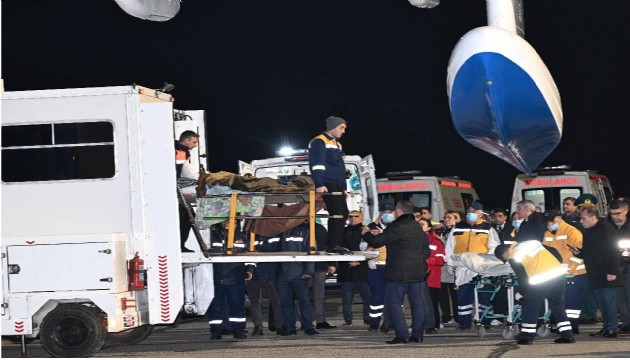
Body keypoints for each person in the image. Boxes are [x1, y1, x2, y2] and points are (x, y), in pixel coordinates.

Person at [361, 200, 430, 344]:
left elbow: (377, 242)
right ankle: (417, 335)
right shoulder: (417, 226)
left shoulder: (397, 226)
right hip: (417, 273)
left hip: (397, 273)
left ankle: (402, 334)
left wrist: (366, 233)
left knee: (394, 303)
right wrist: (419, 264)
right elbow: (426, 250)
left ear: (398, 211)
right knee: (418, 304)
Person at [494, 241, 576, 345]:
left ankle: (527, 337)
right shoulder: (531, 242)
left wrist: (521, 294)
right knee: (558, 306)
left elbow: (522, 278)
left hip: (542, 278)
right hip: (559, 274)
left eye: (505, 259)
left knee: (530, 307)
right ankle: (568, 335)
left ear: (505, 254)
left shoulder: (513, 256)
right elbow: (553, 251)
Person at [445, 201, 500, 331]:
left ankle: (485, 320)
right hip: (462, 266)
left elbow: (494, 247)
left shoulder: (488, 228)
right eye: (470, 210)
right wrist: (450, 262)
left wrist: (487, 262)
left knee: (484, 294)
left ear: (481, 214)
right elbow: (450, 246)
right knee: (463, 294)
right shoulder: (458, 227)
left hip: (481, 266)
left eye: (474, 211)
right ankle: (464, 322)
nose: (471, 213)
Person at [308, 116, 350, 254]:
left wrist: (344, 188)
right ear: (333, 127)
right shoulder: (319, 141)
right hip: (328, 183)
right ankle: (331, 245)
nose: (343, 131)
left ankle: (334, 244)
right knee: (337, 213)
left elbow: (340, 168)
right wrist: (319, 184)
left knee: (344, 213)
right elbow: (317, 165)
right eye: (341, 128)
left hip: (337, 184)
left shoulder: (337, 144)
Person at [207, 221, 255, 340]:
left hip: (236, 278)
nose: (228, 223)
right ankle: (216, 331)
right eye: (226, 220)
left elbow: (250, 255)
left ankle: (238, 330)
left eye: (231, 220)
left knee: (237, 305)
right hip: (216, 278)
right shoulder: (212, 235)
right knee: (215, 306)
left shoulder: (242, 237)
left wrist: (250, 270)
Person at [578, 205, 621, 338]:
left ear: (593, 218)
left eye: (583, 218)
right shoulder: (589, 231)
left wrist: (612, 271)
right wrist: (579, 253)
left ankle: (612, 328)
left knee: (609, 302)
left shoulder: (606, 229)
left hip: (606, 272)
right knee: (601, 303)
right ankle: (606, 327)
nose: (581, 221)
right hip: (594, 273)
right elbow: (590, 252)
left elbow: (614, 251)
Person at [541, 209, 586, 334]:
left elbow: (580, 253)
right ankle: (564, 326)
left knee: (572, 303)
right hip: (558, 273)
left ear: (559, 218)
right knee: (561, 302)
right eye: (547, 222)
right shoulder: (547, 234)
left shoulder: (572, 231)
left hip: (575, 273)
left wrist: (569, 269)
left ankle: (572, 326)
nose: (549, 224)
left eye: (552, 221)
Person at [276, 223, 319, 336]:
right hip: (284, 274)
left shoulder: (305, 232)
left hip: (299, 274)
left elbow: (311, 251)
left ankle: (308, 326)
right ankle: (290, 327)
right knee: (286, 303)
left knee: (304, 301)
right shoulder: (281, 231)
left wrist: (308, 271)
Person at [338, 210, 371, 326]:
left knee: (367, 297)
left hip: (362, 269)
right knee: (346, 298)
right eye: (350, 216)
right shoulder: (343, 231)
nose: (353, 218)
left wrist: (358, 260)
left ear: (361, 217)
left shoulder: (366, 231)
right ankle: (347, 320)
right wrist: (349, 259)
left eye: (356, 216)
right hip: (346, 268)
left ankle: (368, 319)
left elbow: (370, 247)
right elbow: (338, 247)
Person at [246, 234, 283, 336]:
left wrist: (259, 252)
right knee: (256, 303)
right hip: (256, 276)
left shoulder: (276, 235)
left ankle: (279, 326)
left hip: (271, 274)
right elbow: (248, 254)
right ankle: (258, 327)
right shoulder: (251, 236)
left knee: (277, 302)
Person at [365, 203, 394, 333]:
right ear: (380, 213)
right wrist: (369, 251)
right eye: (384, 212)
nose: (387, 214)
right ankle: (374, 322)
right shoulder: (370, 227)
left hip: (393, 265)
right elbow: (361, 245)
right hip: (376, 266)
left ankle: (391, 322)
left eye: (390, 212)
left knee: (394, 296)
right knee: (377, 296)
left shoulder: (396, 227)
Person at [606, 199, 630, 334]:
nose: (615, 217)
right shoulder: (607, 225)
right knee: (619, 296)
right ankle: (626, 322)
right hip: (615, 265)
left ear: (626, 210)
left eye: (618, 213)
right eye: (612, 214)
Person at [418, 217, 445, 334]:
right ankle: (419, 323)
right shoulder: (413, 240)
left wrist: (426, 260)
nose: (419, 226)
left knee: (432, 302)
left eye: (422, 224)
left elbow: (441, 259)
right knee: (418, 302)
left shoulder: (435, 241)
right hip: (417, 275)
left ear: (429, 227)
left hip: (432, 276)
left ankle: (433, 325)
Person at [175, 130, 200, 253]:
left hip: (176, 189)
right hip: (176, 191)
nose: (195, 145)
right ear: (187, 140)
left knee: (187, 219)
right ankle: (179, 246)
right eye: (194, 142)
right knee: (186, 219)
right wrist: (202, 177)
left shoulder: (178, 149)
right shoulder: (181, 151)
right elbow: (184, 171)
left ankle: (180, 245)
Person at [311, 221, 338, 330]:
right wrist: (331, 264)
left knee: (304, 296)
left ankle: (309, 322)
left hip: (309, 266)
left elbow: (327, 246)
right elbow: (328, 246)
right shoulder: (319, 228)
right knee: (318, 296)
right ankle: (319, 321)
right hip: (318, 265)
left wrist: (331, 263)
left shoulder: (319, 228)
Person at [437, 210, 459, 327]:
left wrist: (443, 241)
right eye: (445, 217)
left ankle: (457, 315)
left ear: (456, 219)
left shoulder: (458, 231)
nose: (446, 220)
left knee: (455, 293)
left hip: (453, 265)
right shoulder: (441, 231)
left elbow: (453, 248)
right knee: (442, 293)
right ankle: (446, 315)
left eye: (450, 217)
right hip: (442, 267)